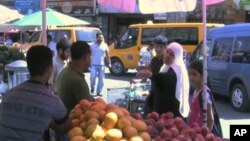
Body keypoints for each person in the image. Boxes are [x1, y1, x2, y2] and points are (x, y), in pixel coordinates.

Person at [0, 45, 69, 141]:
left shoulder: (7, 96)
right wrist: (48, 121)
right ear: (49, 69)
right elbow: (65, 127)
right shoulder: (52, 101)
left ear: (28, 66)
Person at [140, 42, 190, 118]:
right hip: (160, 111)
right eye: (167, 52)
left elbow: (166, 79)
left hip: (170, 114)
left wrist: (151, 75)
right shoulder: (165, 67)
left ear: (176, 57)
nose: (168, 55)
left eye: (172, 54)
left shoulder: (177, 70)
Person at [57, 41, 94, 112]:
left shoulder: (65, 71)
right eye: (90, 56)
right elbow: (89, 109)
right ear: (85, 57)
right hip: (73, 120)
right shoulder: (78, 81)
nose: (91, 59)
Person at [188, 61, 214, 130]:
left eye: (194, 74)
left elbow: (210, 118)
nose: (191, 77)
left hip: (200, 131)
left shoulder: (204, 94)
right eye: (189, 74)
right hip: (193, 129)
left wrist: (206, 135)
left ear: (203, 75)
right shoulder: (196, 90)